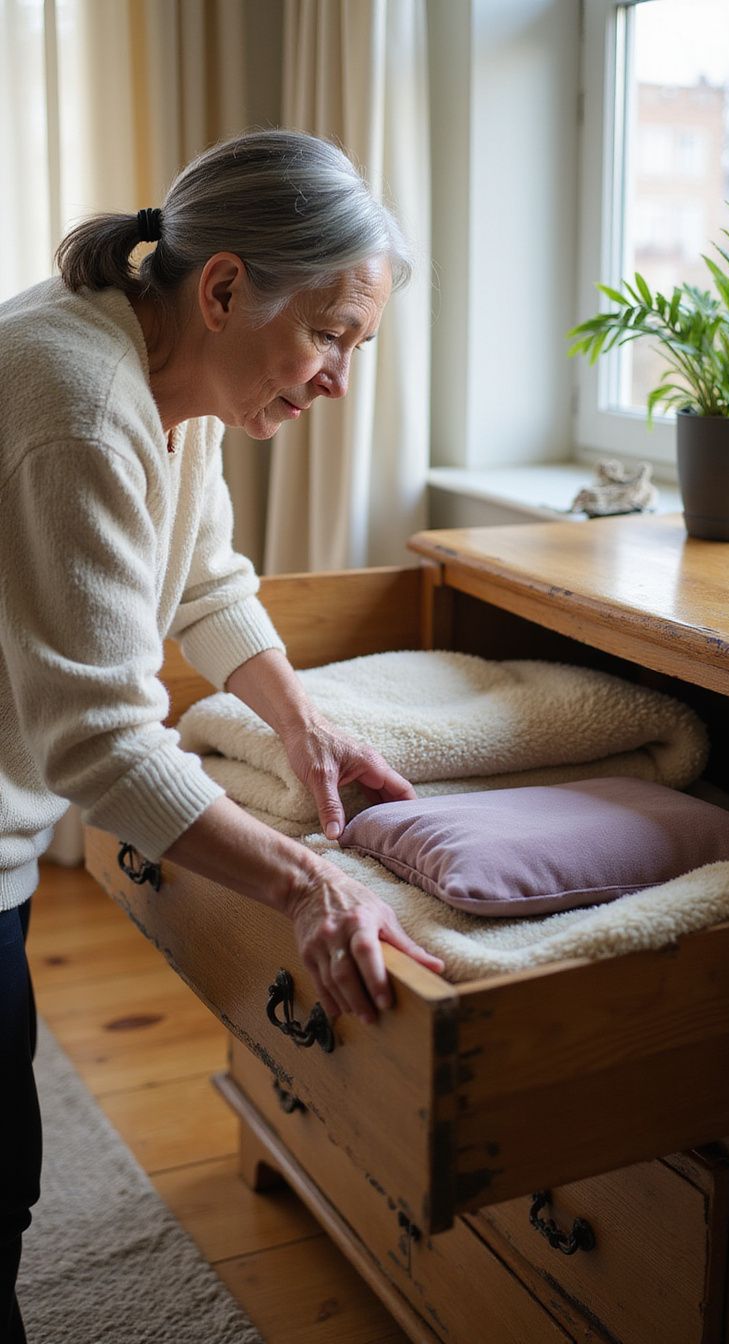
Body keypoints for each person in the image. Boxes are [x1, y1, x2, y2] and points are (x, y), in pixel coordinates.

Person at [0, 127, 444, 1343]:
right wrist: (307, 885)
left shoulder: (163, 363)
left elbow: (202, 576)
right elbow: (100, 741)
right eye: (331, 335)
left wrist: (305, 728)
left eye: (359, 346)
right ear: (226, 287)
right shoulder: (80, 401)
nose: (340, 379)